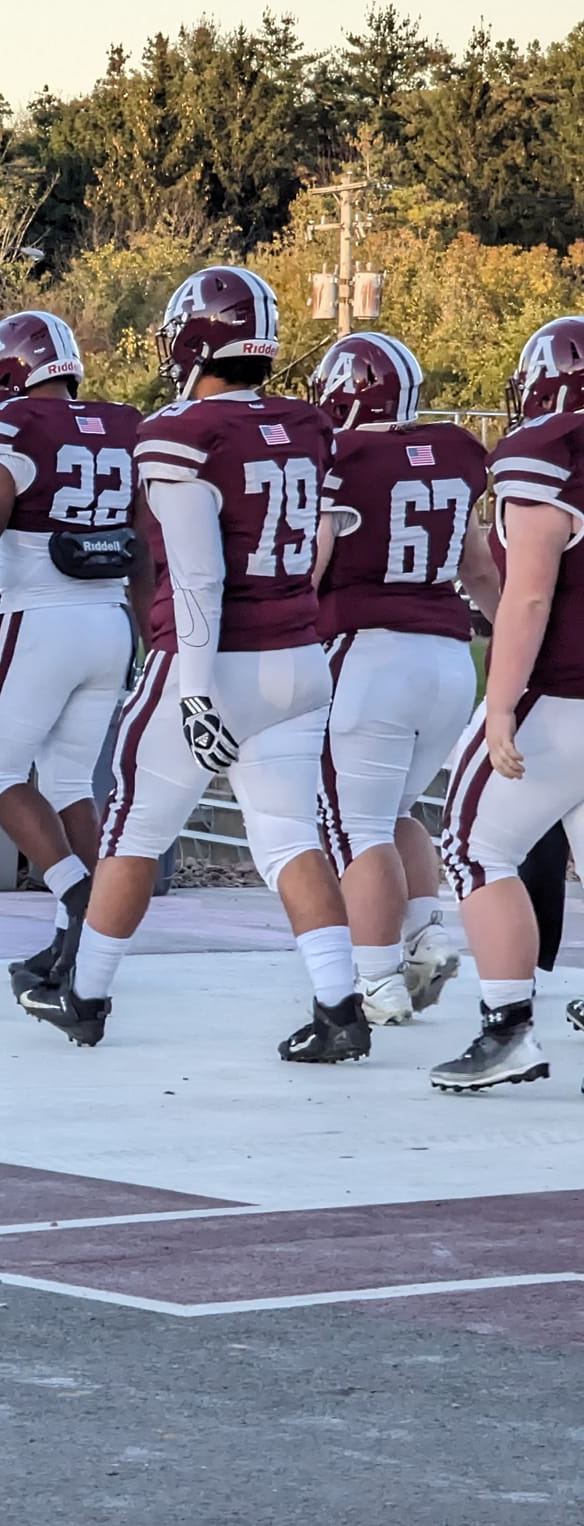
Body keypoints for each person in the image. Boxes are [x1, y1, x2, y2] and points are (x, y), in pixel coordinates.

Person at [17, 265, 369, 1062]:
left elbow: (200, 572)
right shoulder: (306, 425)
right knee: (288, 836)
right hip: (299, 659)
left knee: (135, 832)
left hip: (213, 665)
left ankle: (87, 993)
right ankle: (341, 1006)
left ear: (192, 338)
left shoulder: (182, 433)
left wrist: (198, 689)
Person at [0, 311, 144, 995]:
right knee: (73, 781)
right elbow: (144, 543)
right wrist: (145, 630)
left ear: (8, 373)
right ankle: (72, 934)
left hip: (42, 619)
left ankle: (79, 902)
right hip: (111, 619)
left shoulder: (10, 426)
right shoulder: (124, 425)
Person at [306, 332, 500, 1025]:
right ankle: (424, 934)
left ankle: (378, 980)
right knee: (391, 814)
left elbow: (316, 564)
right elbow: (479, 569)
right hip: (448, 660)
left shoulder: (340, 457)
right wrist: (509, 648)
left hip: (368, 656)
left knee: (354, 829)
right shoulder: (452, 456)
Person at [431, 315, 584, 1092]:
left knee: (472, 845)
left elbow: (526, 597)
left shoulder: (546, 454)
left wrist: (499, 705)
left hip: (564, 695)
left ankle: (507, 1029)